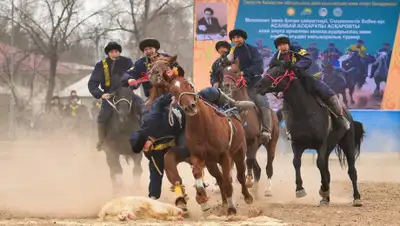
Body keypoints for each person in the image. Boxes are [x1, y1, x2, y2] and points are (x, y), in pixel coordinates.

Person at [269, 34, 350, 132]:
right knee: (284, 108)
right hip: (288, 85)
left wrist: (295, 66)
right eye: (280, 45)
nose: (282, 47)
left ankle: (340, 118)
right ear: (277, 47)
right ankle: (285, 130)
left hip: (304, 79)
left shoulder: (297, 49)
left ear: (288, 44)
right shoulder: (276, 56)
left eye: (284, 44)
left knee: (327, 92)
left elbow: (307, 59)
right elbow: (272, 67)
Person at [88, 41, 142, 151]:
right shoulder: (101, 65)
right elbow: (92, 83)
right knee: (102, 116)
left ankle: (146, 137)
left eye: (116, 51)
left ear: (119, 52)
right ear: (108, 53)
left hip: (127, 93)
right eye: (111, 52)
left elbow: (135, 76)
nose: (114, 54)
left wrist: (135, 83)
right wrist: (101, 94)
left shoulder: (127, 62)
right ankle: (102, 141)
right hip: (110, 96)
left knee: (143, 109)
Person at [227, 28, 273, 141]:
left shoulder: (252, 50)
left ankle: (266, 130)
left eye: (238, 37)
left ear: (243, 38)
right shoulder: (231, 53)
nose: (236, 39)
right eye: (234, 38)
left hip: (253, 82)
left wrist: (244, 72)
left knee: (261, 99)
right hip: (236, 85)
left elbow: (259, 67)